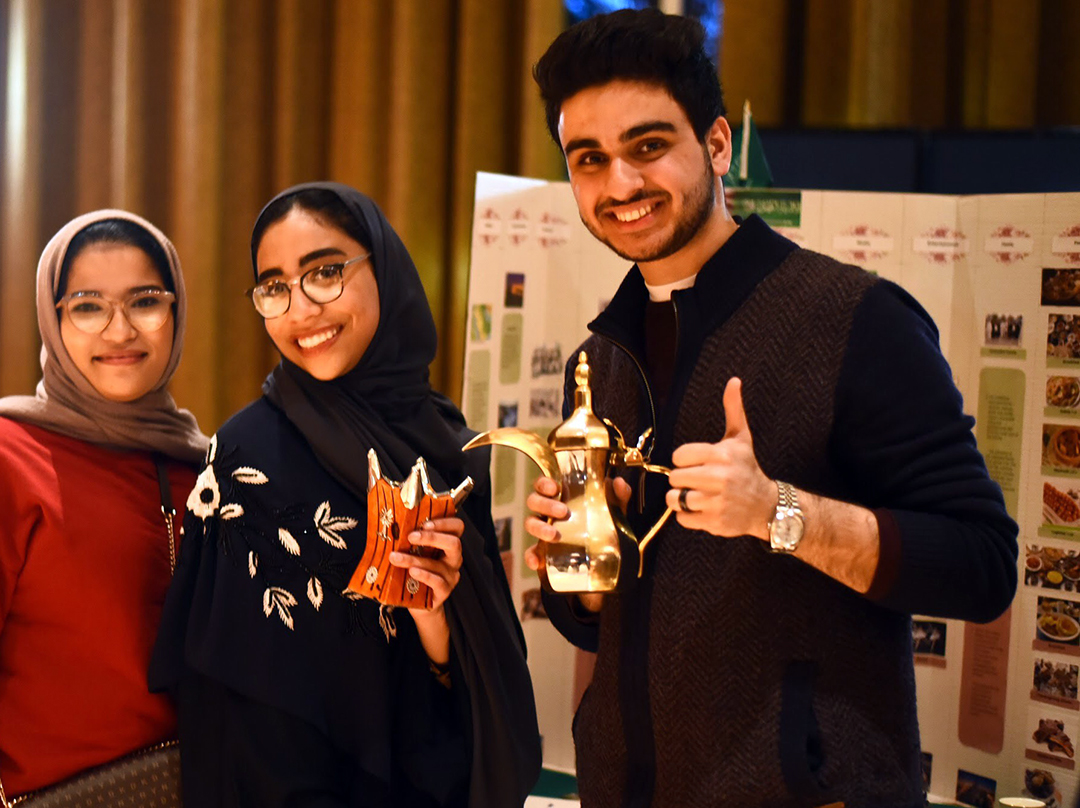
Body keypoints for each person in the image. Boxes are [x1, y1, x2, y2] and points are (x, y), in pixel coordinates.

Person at [524, 9, 1018, 808]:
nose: (620, 184)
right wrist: (581, 559)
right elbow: (601, 628)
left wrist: (777, 512)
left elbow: (982, 565)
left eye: (649, 147)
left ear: (717, 145)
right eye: (590, 159)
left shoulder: (854, 318)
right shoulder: (600, 357)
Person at [150, 182, 541, 807]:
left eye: (325, 272)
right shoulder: (249, 460)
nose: (301, 308)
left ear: (383, 266)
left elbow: (469, 683)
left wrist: (433, 619)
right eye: (274, 287)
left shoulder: (444, 442)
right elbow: (239, 712)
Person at [0, 210, 207, 798]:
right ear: (52, 317)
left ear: (176, 311)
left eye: (145, 301)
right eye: (88, 306)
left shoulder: (208, 467)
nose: (120, 332)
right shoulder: (11, 458)